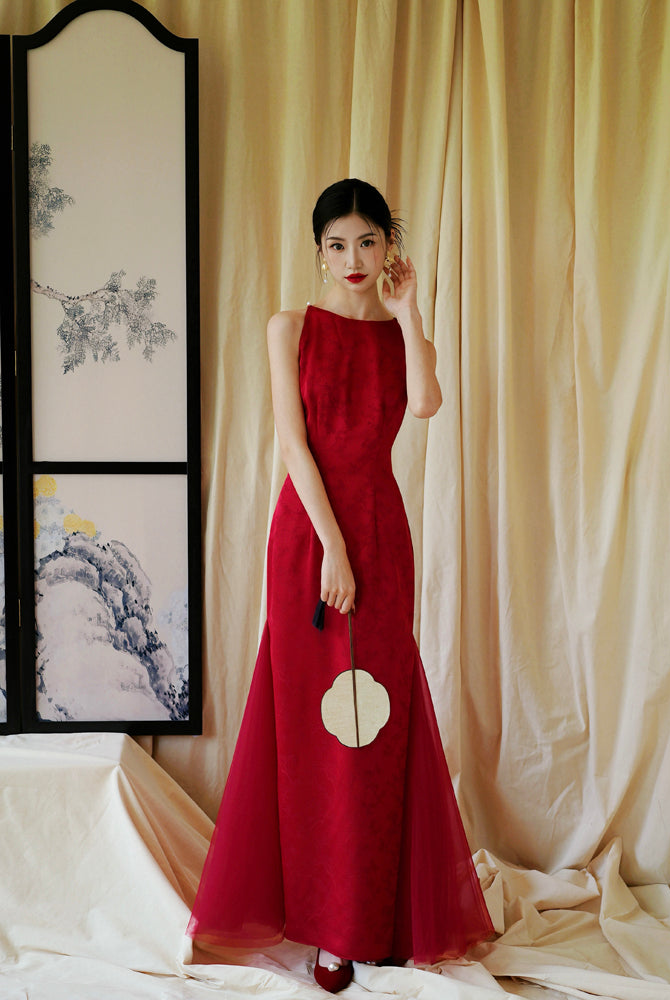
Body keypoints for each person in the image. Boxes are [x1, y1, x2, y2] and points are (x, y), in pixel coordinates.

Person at [187, 179, 493, 993]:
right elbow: (294, 448)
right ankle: (326, 927)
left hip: (383, 535)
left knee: (376, 724)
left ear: (389, 246)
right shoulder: (288, 328)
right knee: (314, 731)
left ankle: (372, 919)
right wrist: (332, 551)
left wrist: (412, 312)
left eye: (367, 242)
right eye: (336, 245)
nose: (352, 260)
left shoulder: (398, 331)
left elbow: (425, 403)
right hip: (310, 537)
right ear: (317, 249)